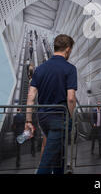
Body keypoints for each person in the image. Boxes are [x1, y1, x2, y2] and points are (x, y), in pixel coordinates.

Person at [25, 34, 77, 174]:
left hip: (43, 119)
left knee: (59, 155)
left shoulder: (40, 69)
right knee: (46, 163)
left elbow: (31, 96)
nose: (69, 53)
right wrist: (71, 117)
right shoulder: (70, 69)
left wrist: (28, 120)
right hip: (59, 118)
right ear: (67, 49)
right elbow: (71, 98)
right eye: (70, 51)